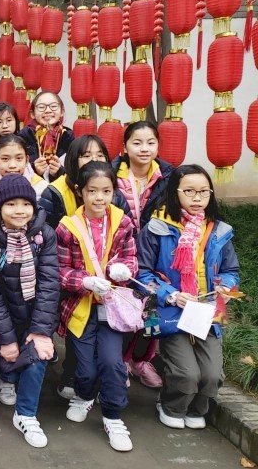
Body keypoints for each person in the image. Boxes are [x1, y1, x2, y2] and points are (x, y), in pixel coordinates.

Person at [137, 164, 239, 430]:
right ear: (175, 192)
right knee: (186, 373)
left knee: (212, 375)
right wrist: (171, 294)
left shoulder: (218, 231)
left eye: (204, 192)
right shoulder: (157, 228)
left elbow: (230, 271)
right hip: (172, 311)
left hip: (207, 311)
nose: (197, 198)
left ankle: (196, 410)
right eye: (190, 191)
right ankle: (171, 406)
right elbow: (142, 274)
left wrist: (225, 287)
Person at [38, 134, 130, 399]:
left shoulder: (118, 208)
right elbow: (53, 248)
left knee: (109, 348)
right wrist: (83, 280)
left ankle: (106, 385)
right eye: (86, 155)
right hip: (73, 282)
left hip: (110, 291)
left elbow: (128, 249)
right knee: (79, 340)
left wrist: (123, 270)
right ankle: (76, 377)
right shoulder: (56, 192)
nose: (93, 160)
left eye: (100, 155)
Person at [56, 161, 138, 452]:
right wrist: (85, 281)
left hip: (112, 308)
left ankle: (113, 417)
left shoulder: (123, 222)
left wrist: (123, 270)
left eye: (106, 191)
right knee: (85, 369)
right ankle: (85, 394)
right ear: (81, 191)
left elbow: (131, 259)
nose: (99, 198)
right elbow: (60, 270)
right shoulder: (67, 227)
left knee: (112, 363)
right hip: (80, 306)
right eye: (92, 191)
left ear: (114, 191)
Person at [0, 174, 59, 448]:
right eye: (11, 204)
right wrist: (7, 338)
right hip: (6, 312)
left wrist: (41, 330)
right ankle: (8, 377)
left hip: (38, 309)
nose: (19, 210)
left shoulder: (44, 235)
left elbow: (49, 283)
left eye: (25, 204)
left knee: (38, 356)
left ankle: (26, 415)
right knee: (10, 352)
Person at [112, 121, 175, 388]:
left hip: (154, 254)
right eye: (136, 143)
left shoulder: (169, 176)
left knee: (151, 308)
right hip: (120, 252)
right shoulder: (111, 174)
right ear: (125, 147)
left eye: (150, 142)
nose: (144, 148)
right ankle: (120, 361)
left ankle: (141, 360)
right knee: (123, 308)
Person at [20, 91, 74, 181]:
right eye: (41, 107)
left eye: (53, 106)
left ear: (62, 112)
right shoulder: (24, 136)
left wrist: (59, 171)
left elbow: (74, 169)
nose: (48, 110)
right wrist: (34, 169)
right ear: (32, 114)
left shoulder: (67, 136)